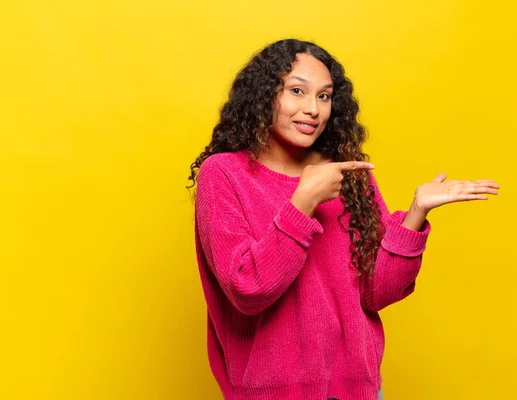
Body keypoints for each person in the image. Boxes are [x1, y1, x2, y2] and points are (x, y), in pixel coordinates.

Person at [187, 38, 499, 400]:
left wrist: (416, 214)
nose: (313, 109)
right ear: (263, 95)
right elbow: (247, 290)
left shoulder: (347, 173)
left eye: (324, 96)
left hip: (358, 389)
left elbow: (376, 292)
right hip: (272, 393)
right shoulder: (224, 173)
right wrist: (303, 202)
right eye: (297, 91)